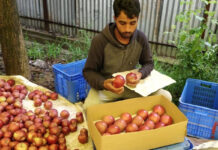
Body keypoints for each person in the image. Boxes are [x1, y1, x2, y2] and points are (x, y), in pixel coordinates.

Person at [83, 0, 172, 109]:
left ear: (138, 19)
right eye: (122, 23)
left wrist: (140, 74)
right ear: (115, 18)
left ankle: (124, 109)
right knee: (88, 108)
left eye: (132, 23)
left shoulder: (140, 38)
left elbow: (148, 63)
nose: (127, 29)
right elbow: (89, 71)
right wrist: (104, 83)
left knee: (166, 97)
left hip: (132, 87)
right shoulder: (100, 41)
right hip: (108, 88)